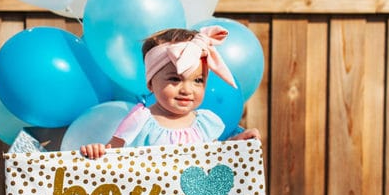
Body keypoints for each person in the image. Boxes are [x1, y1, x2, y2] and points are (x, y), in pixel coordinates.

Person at [80, 26, 260, 158]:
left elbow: (214, 159)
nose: (187, 90)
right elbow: (112, 155)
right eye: (175, 79)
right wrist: (98, 151)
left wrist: (238, 144)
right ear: (151, 83)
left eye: (198, 81)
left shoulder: (205, 122)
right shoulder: (141, 120)